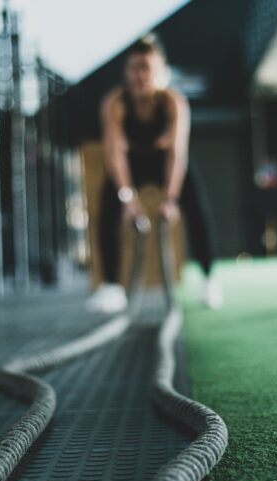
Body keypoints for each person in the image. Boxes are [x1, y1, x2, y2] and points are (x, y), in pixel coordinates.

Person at [86, 33, 222, 313]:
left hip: (164, 163)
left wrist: (170, 200)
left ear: (159, 71)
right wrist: (127, 200)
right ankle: (112, 287)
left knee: (196, 206)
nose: (139, 76)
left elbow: (177, 154)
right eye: (134, 69)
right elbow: (115, 155)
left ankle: (209, 280)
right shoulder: (115, 103)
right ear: (127, 72)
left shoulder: (173, 103)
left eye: (146, 68)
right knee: (107, 206)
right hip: (131, 163)